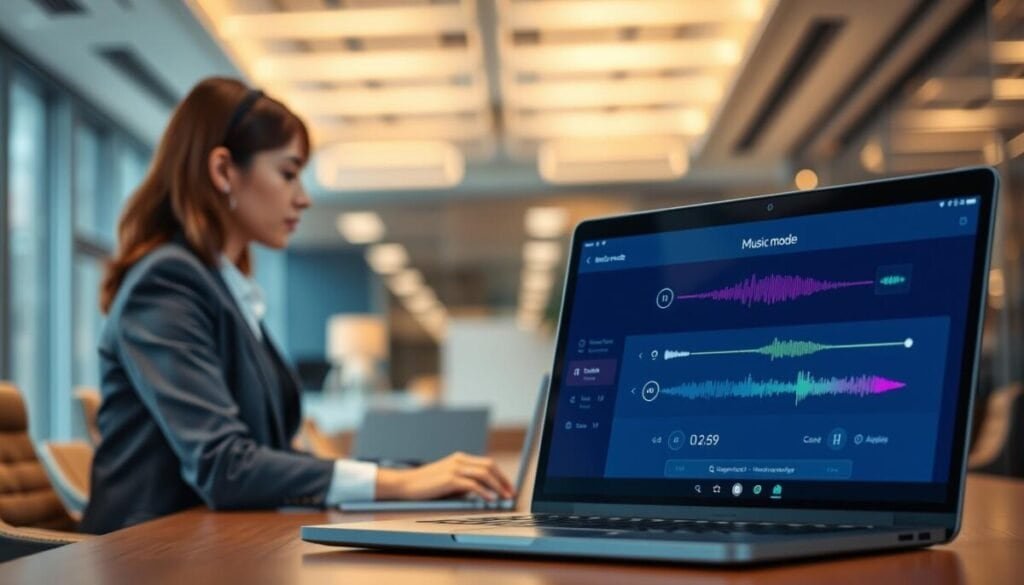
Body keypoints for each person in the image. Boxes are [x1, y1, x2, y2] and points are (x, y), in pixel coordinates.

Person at [81, 77, 512, 534]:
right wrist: (398, 484)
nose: (303, 197)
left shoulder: (223, 287)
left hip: (212, 541)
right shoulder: (167, 282)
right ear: (224, 170)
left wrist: (405, 474)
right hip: (143, 556)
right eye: (288, 174)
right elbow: (226, 466)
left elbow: (270, 455)